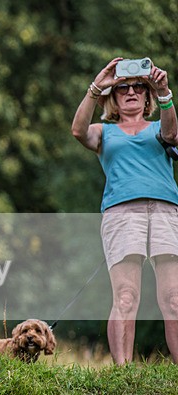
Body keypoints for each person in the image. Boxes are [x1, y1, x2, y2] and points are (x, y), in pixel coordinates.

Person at [71, 58, 178, 364]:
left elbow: (173, 136)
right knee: (126, 296)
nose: (131, 92)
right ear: (114, 98)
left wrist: (165, 93)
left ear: (147, 96)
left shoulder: (161, 125)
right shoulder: (105, 132)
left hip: (165, 210)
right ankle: (123, 373)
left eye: (138, 87)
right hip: (122, 213)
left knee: (174, 299)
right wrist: (97, 85)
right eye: (122, 88)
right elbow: (78, 131)